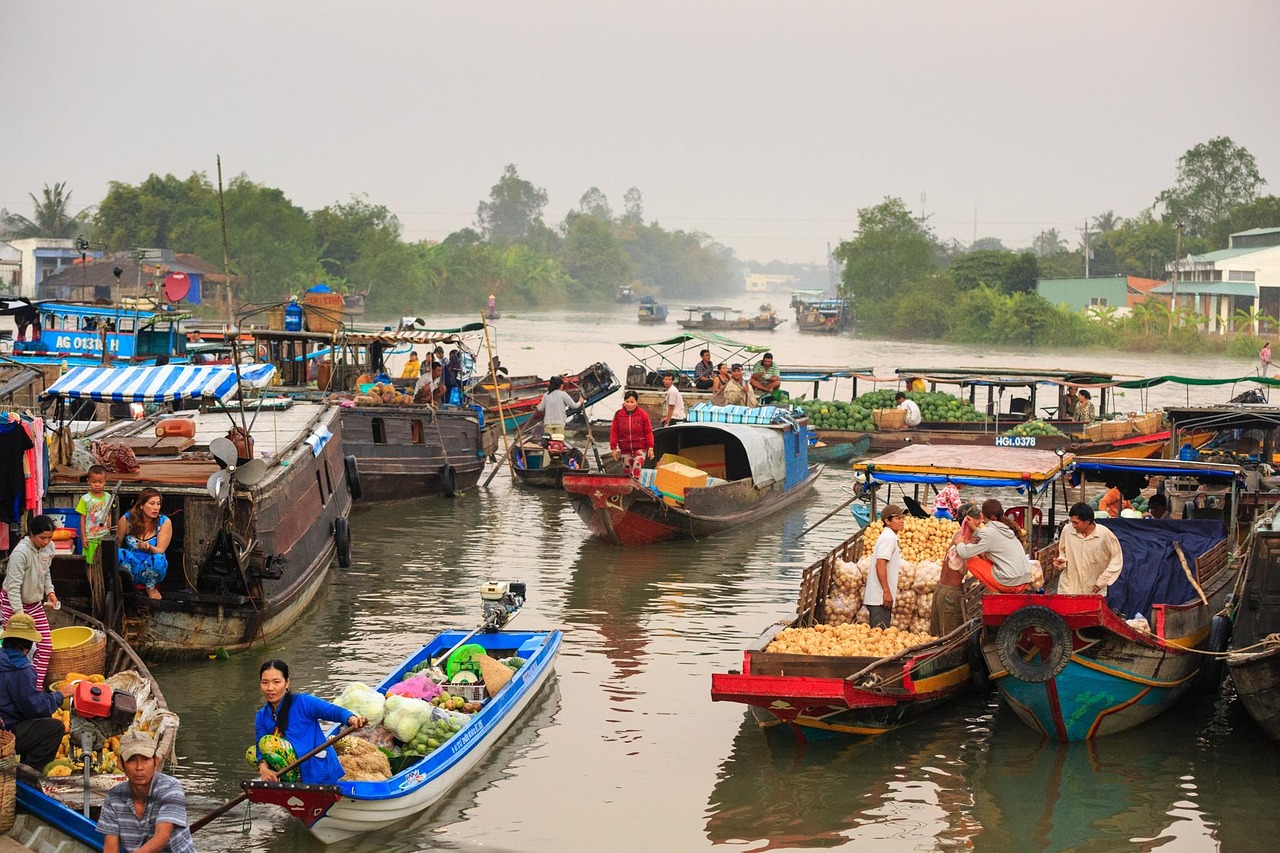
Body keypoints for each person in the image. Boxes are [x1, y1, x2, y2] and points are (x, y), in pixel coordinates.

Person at [255, 659, 366, 785]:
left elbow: (332, 711)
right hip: (290, 772)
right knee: (254, 751)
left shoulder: (303, 702)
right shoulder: (261, 716)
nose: (270, 688)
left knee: (266, 743)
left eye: (276, 682)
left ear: (287, 683)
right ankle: (287, 782)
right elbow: (260, 748)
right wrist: (263, 769)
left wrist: (352, 719)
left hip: (316, 770)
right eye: (265, 683)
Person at [96, 730, 195, 853]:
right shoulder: (113, 798)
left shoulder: (170, 788)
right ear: (121, 764)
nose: (139, 767)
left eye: (145, 759)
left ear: (156, 762)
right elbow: (110, 847)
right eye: (132, 760)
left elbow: (162, 836)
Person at [0, 614, 76, 770]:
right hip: (6, 731)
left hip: (5, 720)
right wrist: (60, 695)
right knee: (55, 728)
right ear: (28, 646)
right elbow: (35, 708)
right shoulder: (22, 669)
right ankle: (29, 773)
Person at [2, 515, 59, 688]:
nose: (46, 542)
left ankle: (35, 687)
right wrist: (19, 615)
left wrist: (50, 591)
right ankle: (11, 686)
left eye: (49, 537)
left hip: (34, 604)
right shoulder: (20, 553)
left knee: (45, 646)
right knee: (17, 650)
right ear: (32, 534)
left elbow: (46, 571)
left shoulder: (49, 548)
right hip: (13, 604)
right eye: (42, 538)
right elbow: (13, 587)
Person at [954, 499, 1033, 592]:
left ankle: (998, 590)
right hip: (1024, 578)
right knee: (986, 558)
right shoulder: (1005, 528)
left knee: (971, 561)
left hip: (1010, 582)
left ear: (982, 515)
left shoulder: (989, 533)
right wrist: (975, 530)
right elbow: (991, 537)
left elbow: (964, 553)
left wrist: (959, 543)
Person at [1054, 503, 1125, 596]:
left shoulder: (1104, 534)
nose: (1073, 526)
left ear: (1087, 521)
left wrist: (1102, 581)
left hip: (1094, 589)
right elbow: (1062, 552)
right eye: (1072, 522)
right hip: (1069, 588)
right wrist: (1061, 562)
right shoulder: (1067, 530)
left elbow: (1117, 559)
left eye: (1076, 522)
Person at [933, 503, 982, 636]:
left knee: (940, 635)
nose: (980, 521)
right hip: (950, 595)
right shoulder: (965, 542)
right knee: (949, 637)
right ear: (967, 520)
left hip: (942, 591)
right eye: (977, 518)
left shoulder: (959, 535)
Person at [116, 489, 171, 600]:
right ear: (141, 505)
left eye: (158, 504)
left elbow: (161, 550)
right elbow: (117, 543)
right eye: (152, 503)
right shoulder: (126, 520)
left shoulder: (164, 522)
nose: (156, 507)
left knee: (158, 559)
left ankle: (150, 587)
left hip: (151, 568)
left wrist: (149, 547)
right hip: (132, 566)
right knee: (118, 553)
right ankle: (126, 585)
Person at [867, 505, 905, 629]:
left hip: (879, 597)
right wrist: (886, 591)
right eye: (898, 518)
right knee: (879, 635)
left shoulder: (889, 536)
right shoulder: (889, 538)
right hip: (880, 599)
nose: (902, 521)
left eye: (902, 518)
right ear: (888, 521)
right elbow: (881, 563)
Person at [609, 390, 655, 479]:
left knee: (637, 466)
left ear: (636, 402)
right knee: (627, 471)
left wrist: (650, 447)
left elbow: (648, 431)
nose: (630, 404)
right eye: (627, 402)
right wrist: (613, 448)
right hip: (625, 449)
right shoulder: (618, 415)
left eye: (632, 402)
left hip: (640, 448)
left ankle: (636, 485)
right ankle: (629, 488)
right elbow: (614, 431)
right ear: (624, 402)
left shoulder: (643, 414)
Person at [77, 465, 114, 565]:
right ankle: (91, 580)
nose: (97, 485)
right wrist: (83, 537)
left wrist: (110, 524)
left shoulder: (108, 497)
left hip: (105, 536)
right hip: (90, 537)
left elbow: (110, 512)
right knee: (90, 562)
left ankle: (102, 580)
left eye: (100, 482)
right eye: (94, 482)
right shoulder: (85, 499)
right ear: (88, 481)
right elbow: (82, 518)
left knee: (104, 562)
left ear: (105, 481)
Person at [534, 375, 583, 441]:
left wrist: (537, 406)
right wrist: (580, 401)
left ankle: (546, 452)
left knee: (547, 444)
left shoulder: (546, 395)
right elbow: (574, 406)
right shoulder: (563, 394)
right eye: (562, 385)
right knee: (558, 445)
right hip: (559, 423)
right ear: (560, 386)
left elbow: (540, 409)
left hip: (548, 423)